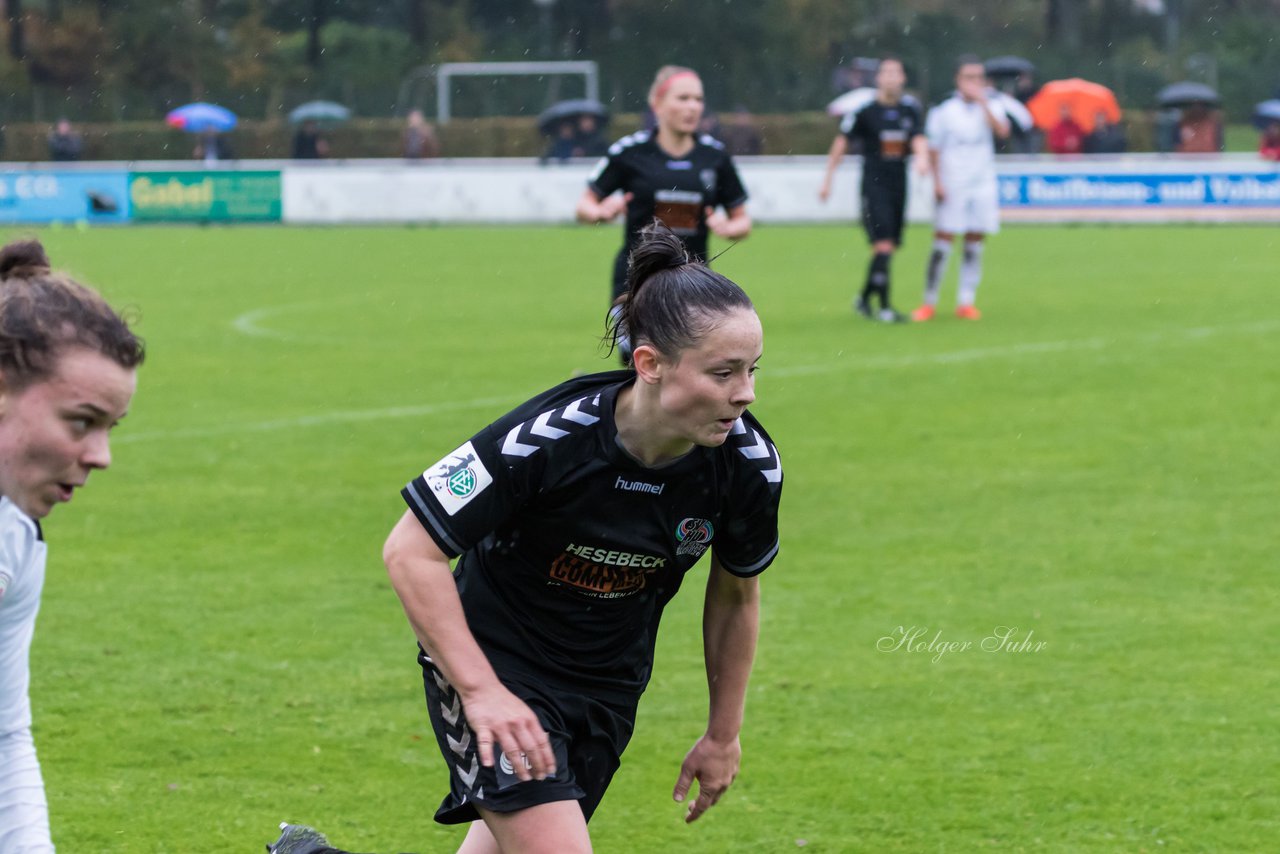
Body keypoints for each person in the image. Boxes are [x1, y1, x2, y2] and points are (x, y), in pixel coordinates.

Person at [373, 223, 780, 854]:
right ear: (649, 364)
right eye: (723, 372)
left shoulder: (748, 467)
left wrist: (723, 734)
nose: (745, 393)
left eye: (752, 370)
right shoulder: (543, 438)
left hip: (607, 684)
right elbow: (409, 550)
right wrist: (481, 693)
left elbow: (735, 595)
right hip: (496, 661)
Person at [0, 239, 144, 852]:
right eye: (81, 422)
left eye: (110, 428)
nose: (101, 457)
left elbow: (4, 736)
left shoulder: (17, 538)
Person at [577, 66, 751, 361]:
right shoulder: (630, 152)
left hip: (693, 282)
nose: (693, 107)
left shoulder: (715, 156)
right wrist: (600, 212)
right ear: (657, 104)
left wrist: (730, 228)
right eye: (683, 98)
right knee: (642, 366)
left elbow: (742, 219)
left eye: (698, 99)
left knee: (690, 366)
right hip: (637, 280)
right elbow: (585, 206)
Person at [818, 55, 929, 324]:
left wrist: (923, 159)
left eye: (896, 72)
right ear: (878, 78)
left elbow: (918, 138)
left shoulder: (909, 110)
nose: (891, 77)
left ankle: (864, 299)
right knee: (883, 244)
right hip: (874, 186)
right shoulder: (866, 111)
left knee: (888, 246)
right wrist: (828, 179)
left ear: (903, 78)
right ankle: (885, 306)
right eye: (886, 72)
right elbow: (842, 142)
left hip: (898, 185)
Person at [911, 55, 1011, 322]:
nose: (975, 83)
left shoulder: (993, 104)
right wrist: (938, 182)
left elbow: (1003, 132)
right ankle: (929, 302)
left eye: (979, 77)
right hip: (953, 182)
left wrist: (983, 103)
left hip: (982, 182)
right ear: (958, 80)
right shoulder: (943, 110)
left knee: (974, 242)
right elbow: (934, 149)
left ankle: (966, 301)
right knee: (943, 241)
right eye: (969, 77)